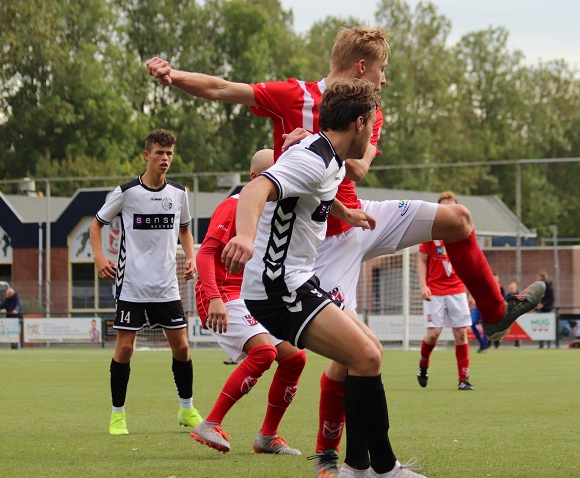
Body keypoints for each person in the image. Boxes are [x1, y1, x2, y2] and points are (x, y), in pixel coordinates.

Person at [147, 26, 544, 476]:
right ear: (361, 66)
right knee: (355, 357)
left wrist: (340, 194)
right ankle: (336, 458)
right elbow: (223, 92)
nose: (384, 79)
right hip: (311, 255)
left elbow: (354, 168)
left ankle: (494, 314)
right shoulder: (303, 108)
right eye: (382, 69)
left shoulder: (357, 117)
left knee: (457, 220)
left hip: (353, 218)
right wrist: (173, 76)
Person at [221, 79, 424, 478]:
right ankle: (385, 469)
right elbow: (256, 189)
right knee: (365, 357)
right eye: (374, 126)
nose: (374, 136)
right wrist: (244, 236)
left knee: (368, 351)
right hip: (277, 287)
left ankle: (356, 466)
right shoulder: (315, 158)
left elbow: (314, 195)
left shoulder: (328, 157)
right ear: (360, 123)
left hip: (296, 281)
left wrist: (346, 214)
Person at [189, 149, 308, 455]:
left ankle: (267, 437)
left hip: (253, 296)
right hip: (222, 293)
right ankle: (209, 423)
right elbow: (206, 253)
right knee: (265, 352)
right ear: (254, 178)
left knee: (295, 358)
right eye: (271, 174)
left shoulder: (275, 211)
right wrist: (214, 298)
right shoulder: (233, 205)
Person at [89, 128, 202, 436]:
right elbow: (96, 224)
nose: (165, 158)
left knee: (182, 346)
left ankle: (187, 409)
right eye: (159, 153)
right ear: (147, 155)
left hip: (166, 286)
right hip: (132, 285)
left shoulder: (179, 193)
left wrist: (191, 257)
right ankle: (117, 415)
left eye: (169, 154)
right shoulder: (126, 192)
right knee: (125, 348)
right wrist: (99, 257)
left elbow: (185, 229)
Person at [416, 191, 475, 391]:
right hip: (435, 289)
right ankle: (423, 362)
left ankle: (463, 379)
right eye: (444, 206)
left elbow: (471, 264)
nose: (448, 209)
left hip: (457, 289)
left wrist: (472, 291)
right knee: (433, 334)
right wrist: (423, 285)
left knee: (461, 333)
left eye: (451, 206)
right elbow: (422, 260)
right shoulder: (431, 232)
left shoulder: (463, 233)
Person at [536, 273, 555, 349]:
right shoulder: (538, 288)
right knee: (540, 328)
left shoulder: (549, 288)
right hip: (540, 311)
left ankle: (549, 345)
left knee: (548, 328)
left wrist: (543, 304)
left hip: (547, 310)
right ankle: (541, 345)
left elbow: (551, 299)